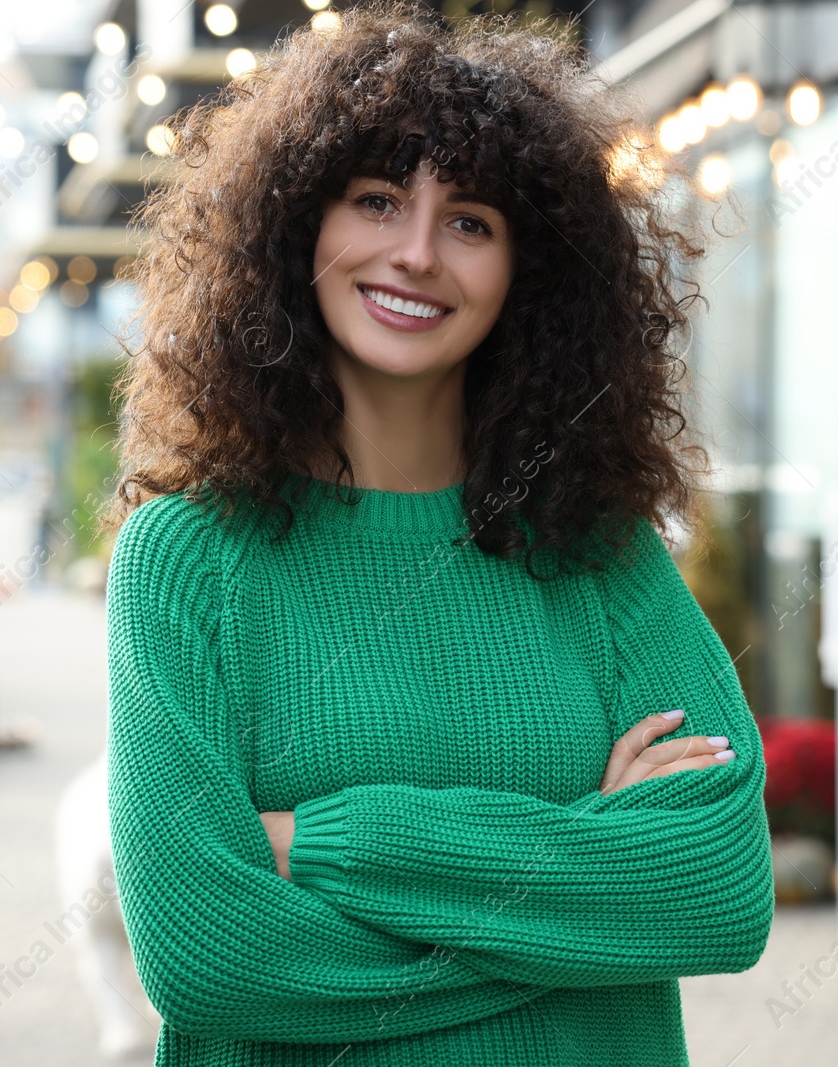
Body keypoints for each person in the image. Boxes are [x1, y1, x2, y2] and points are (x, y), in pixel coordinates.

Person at [100, 2, 775, 1064]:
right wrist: (581, 887)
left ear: (529, 274)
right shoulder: (188, 559)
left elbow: (716, 891)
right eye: (377, 200)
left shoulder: (597, 549)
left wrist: (319, 841)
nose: (416, 253)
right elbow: (206, 956)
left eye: (471, 221)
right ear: (295, 230)